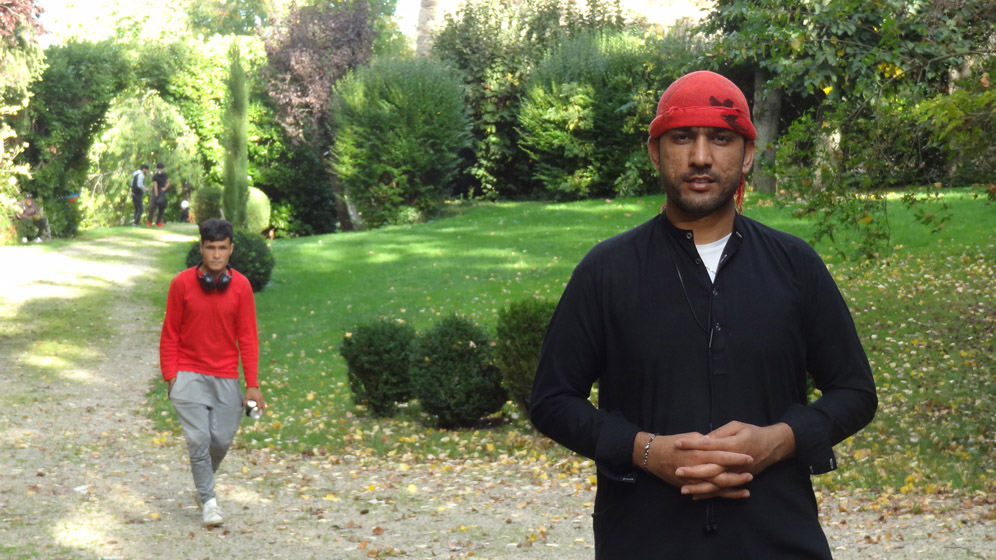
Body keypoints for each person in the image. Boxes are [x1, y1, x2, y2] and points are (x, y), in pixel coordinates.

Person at [529, 70, 877, 558]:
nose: (700, 157)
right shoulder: (607, 270)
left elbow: (855, 392)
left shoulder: (794, 265)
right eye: (681, 138)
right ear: (655, 152)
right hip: (643, 542)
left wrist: (779, 440)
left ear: (748, 154)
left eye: (721, 138)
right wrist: (645, 451)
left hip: (778, 540)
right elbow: (551, 399)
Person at [159, 218, 266, 527]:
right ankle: (209, 502)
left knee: (219, 440)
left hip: (226, 376)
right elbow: (170, 333)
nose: (216, 254)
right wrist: (171, 377)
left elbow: (248, 337)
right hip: (188, 373)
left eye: (222, 248)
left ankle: (202, 483)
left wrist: (253, 384)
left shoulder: (241, 287)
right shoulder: (181, 284)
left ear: (231, 249)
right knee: (198, 438)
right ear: (201, 248)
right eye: (210, 248)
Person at [148, 161, 169, 226]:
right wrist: (156, 195)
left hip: (162, 192)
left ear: (163, 169)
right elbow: (155, 186)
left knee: (162, 207)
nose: (160, 170)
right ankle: (149, 221)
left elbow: (168, 182)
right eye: (158, 169)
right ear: (157, 169)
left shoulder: (165, 175)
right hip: (155, 192)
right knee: (152, 207)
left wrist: (165, 188)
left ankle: (158, 222)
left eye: (161, 169)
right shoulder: (155, 176)